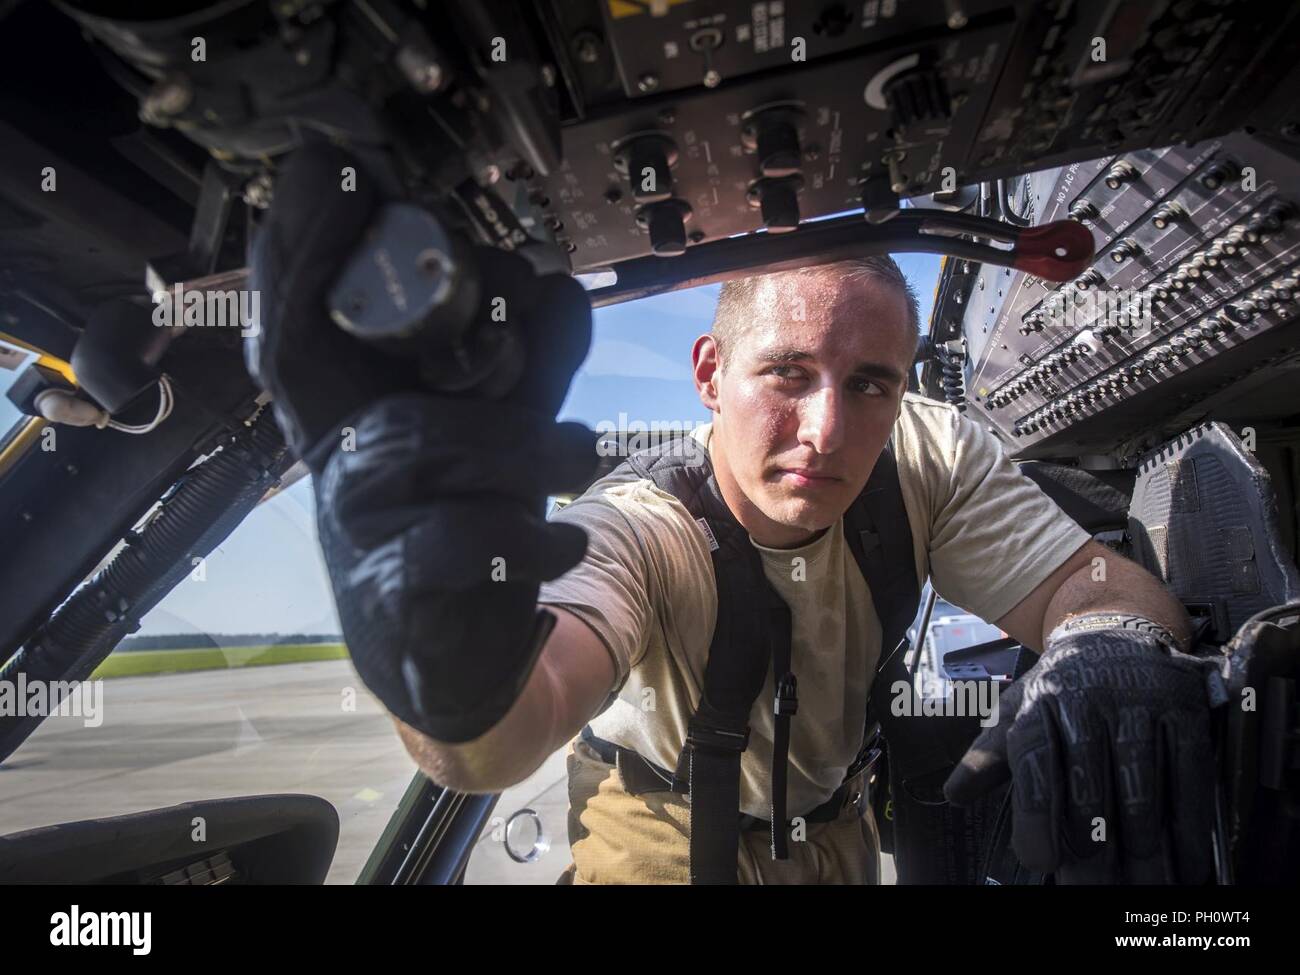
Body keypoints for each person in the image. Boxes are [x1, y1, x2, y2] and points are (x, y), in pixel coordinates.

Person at [248, 145, 1219, 885]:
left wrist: (1107, 638)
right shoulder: (642, 521)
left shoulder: (927, 449)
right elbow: (512, 736)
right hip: (654, 837)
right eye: (787, 375)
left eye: (870, 384)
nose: (829, 429)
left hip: (835, 827)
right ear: (710, 374)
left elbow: (1089, 585)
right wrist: (445, 692)